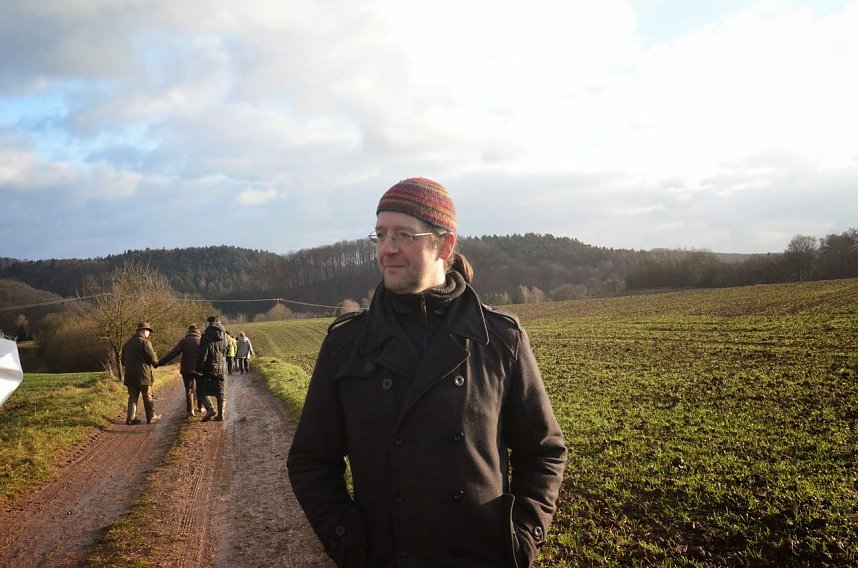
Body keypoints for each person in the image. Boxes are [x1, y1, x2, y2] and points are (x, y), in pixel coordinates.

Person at [287, 177, 568, 567]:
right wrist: (349, 545)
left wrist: (521, 539)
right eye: (380, 235)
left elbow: (544, 451)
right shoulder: (347, 345)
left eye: (403, 234)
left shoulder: (500, 340)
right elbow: (310, 461)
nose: (387, 249)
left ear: (444, 245)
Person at [120, 322, 161, 425]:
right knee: (147, 396)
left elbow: (123, 361)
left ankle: (130, 418)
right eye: (148, 331)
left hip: (130, 376)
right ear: (144, 330)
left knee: (133, 397)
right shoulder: (145, 342)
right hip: (143, 375)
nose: (149, 334)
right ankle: (151, 417)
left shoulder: (127, 343)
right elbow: (153, 359)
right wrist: (156, 364)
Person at [158, 323, 202, 416]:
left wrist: (160, 362)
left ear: (189, 331)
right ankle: (200, 407)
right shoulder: (201, 340)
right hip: (199, 368)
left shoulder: (184, 341)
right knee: (201, 388)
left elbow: (173, 353)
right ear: (198, 331)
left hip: (186, 369)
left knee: (189, 390)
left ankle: (190, 410)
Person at [196, 315, 229, 422]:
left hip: (209, 368)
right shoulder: (225, 336)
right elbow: (227, 351)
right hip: (222, 367)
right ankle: (221, 415)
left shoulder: (206, 336)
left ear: (209, 323)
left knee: (201, 390)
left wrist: (199, 369)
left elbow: (202, 355)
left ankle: (210, 409)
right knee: (221, 391)